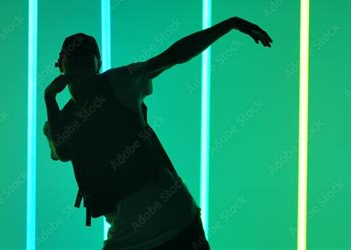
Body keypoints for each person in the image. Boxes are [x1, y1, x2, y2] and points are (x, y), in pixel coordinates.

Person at [43, 16, 272, 249]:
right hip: (138, 233)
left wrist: (229, 25)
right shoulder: (59, 122)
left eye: (85, 64)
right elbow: (62, 150)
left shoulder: (119, 82)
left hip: (175, 222)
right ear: (61, 67)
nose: (80, 72)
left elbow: (173, 56)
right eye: (73, 64)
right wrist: (50, 100)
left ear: (98, 65)